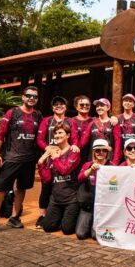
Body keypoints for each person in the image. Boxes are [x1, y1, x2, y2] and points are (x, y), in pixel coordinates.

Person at [0, 86, 42, 235]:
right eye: (28, 95)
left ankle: (14, 217)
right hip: (11, 158)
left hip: (28, 160)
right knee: (0, 188)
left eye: (34, 96)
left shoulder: (38, 115)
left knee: (21, 188)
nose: (31, 98)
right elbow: (0, 134)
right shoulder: (13, 112)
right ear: (22, 97)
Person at [35, 96, 76, 229]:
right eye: (56, 104)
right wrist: (48, 149)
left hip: (65, 155)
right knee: (46, 186)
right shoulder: (46, 120)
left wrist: (74, 147)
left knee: (62, 183)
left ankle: (60, 214)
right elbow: (39, 139)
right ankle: (42, 215)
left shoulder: (70, 121)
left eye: (62, 104)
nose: (59, 106)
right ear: (52, 108)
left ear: (66, 106)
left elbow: (74, 137)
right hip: (50, 157)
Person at [38, 121, 81, 235]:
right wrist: (41, 163)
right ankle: (61, 216)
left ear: (68, 135)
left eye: (60, 132)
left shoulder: (73, 151)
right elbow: (47, 179)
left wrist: (56, 158)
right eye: (55, 133)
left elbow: (64, 170)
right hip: (56, 199)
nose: (57, 135)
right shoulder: (53, 152)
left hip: (71, 199)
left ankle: (72, 216)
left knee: (67, 230)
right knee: (47, 227)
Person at [76, 138, 112, 240]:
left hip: (103, 208)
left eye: (104, 150)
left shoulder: (111, 166)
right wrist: (91, 170)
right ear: (94, 152)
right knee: (80, 234)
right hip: (88, 206)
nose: (101, 153)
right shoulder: (87, 165)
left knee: (95, 236)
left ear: (107, 152)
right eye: (97, 150)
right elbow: (80, 178)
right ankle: (90, 222)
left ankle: (94, 225)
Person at [87, 98, 121, 164]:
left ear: (108, 107)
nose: (99, 107)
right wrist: (74, 145)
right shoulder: (92, 123)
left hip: (109, 158)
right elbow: (84, 140)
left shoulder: (113, 123)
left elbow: (118, 143)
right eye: (97, 106)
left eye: (102, 105)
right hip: (94, 158)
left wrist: (115, 161)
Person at [116, 93, 135, 163]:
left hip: (134, 151)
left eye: (130, 101)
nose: (127, 103)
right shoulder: (117, 118)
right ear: (122, 103)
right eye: (126, 101)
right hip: (120, 152)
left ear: (133, 104)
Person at [71, 95, 93, 163]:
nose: (85, 106)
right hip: (74, 154)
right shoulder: (70, 121)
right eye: (82, 104)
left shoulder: (95, 120)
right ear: (76, 107)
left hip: (90, 155)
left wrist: (113, 118)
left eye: (87, 104)